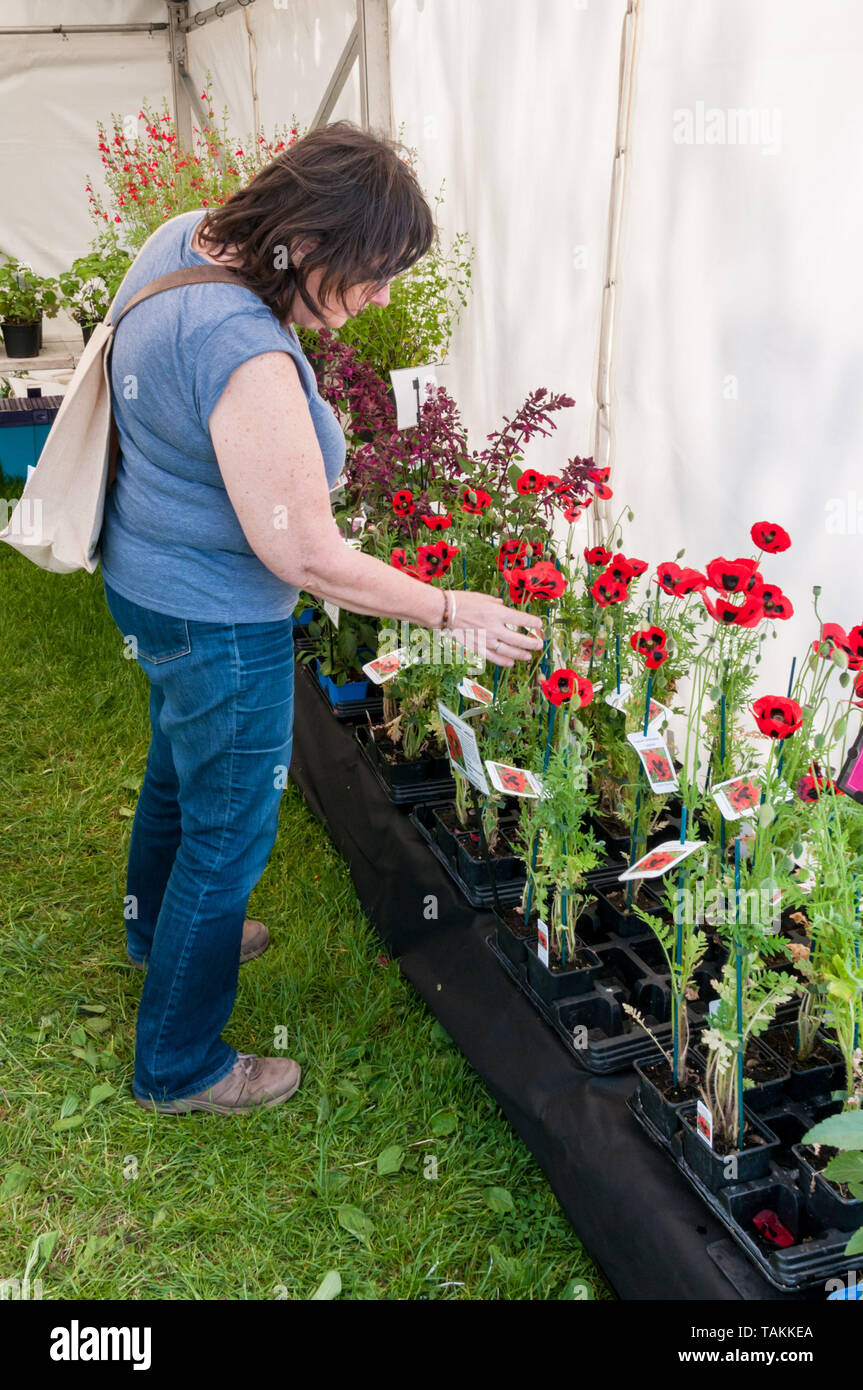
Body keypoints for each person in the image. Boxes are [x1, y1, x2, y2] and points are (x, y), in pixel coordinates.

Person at [99, 120, 544, 1117]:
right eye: (371, 275)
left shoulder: (189, 236)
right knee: (228, 832)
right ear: (305, 242)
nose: (380, 297)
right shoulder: (239, 346)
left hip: (150, 579)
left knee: (179, 764)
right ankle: (181, 1064)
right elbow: (302, 554)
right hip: (213, 615)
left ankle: (150, 929)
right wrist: (447, 606)